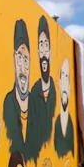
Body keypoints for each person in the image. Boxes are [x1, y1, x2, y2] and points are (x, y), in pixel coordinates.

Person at [3, 20, 46, 162]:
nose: (23, 67)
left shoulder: (37, 106)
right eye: (19, 59)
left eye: (26, 60)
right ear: (14, 60)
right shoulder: (8, 103)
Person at [30, 16, 56, 145]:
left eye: (46, 45)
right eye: (41, 45)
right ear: (38, 51)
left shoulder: (55, 92)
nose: (44, 51)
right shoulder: (33, 93)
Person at [53, 57, 75, 158]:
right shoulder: (54, 123)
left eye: (67, 78)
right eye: (63, 78)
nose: (65, 83)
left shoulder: (72, 124)